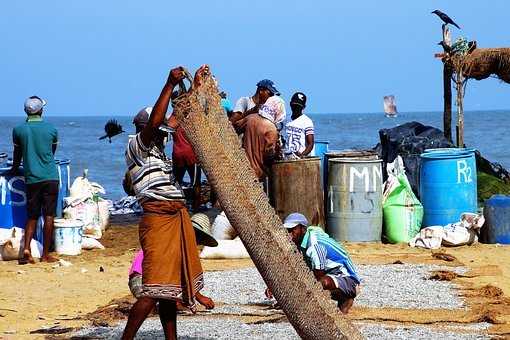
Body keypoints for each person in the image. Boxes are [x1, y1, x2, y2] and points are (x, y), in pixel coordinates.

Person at [122, 65, 209, 340]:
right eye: (156, 129)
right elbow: (160, 121)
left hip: (175, 218)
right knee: (153, 291)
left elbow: (176, 118)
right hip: (158, 221)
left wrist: (194, 88)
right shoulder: (138, 145)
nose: (163, 132)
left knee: (168, 291)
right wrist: (168, 85)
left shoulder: (158, 149)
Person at [267, 213, 361, 314]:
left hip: (349, 281)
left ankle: (346, 296)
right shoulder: (301, 242)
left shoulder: (314, 245)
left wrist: (292, 297)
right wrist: (277, 285)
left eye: (292, 229)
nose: (289, 233)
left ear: (302, 229)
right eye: (287, 230)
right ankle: (344, 300)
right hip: (332, 276)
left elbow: (317, 277)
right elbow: (294, 268)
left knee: (321, 283)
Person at [128, 213, 217, 311]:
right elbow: (184, 273)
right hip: (142, 281)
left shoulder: (174, 239)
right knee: (153, 304)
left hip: (147, 280)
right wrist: (199, 297)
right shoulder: (176, 243)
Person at [10, 96, 59, 264]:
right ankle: (45, 254)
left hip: (32, 178)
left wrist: (14, 169)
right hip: (51, 176)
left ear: (26, 111)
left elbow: (17, 156)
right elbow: (52, 152)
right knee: (49, 215)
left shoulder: (18, 130)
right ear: (41, 110)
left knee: (32, 215)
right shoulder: (51, 129)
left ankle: (26, 248)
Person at [242, 96, 286, 182]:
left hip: (244, 169)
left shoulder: (250, 118)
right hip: (259, 173)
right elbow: (269, 155)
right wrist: (278, 153)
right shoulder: (272, 129)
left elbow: (234, 127)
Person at [283, 92, 315, 158]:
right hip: (286, 158)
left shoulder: (307, 121)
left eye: (298, 107)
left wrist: (302, 155)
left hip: (299, 158)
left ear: (303, 107)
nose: (296, 108)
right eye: (294, 106)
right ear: (290, 104)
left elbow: (310, 144)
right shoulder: (286, 120)